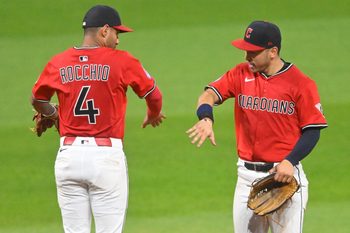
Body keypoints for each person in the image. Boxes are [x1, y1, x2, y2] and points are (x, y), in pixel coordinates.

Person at [31, 5, 165, 233]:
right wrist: (152, 115)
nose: (118, 40)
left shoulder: (59, 61)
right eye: (117, 33)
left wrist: (55, 115)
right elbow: (154, 95)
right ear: (104, 31)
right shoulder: (122, 61)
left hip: (68, 158)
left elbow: (36, 99)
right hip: (105, 159)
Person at [187, 20, 327, 233]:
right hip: (246, 178)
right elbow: (208, 95)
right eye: (245, 50)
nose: (247, 57)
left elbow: (312, 130)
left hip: (284, 177)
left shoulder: (301, 83)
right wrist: (206, 118)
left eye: (253, 52)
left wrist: (290, 161)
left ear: (273, 52)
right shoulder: (240, 73)